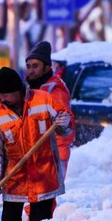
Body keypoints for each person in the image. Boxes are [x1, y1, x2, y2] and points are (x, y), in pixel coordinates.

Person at [0, 67, 73, 221]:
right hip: (15, 178)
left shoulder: (43, 99)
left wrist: (65, 122)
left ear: (18, 90)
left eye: (6, 94)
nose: (2, 99)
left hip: (44, 174)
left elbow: (65, 121)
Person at [25, 41, 75, 176]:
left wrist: (52, 158)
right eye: (28, 66)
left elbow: (65, 128)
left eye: (35, 66)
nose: (31, 71)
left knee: (46, 197)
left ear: (47, 67)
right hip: (35, 156)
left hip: (52, 158)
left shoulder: (54, 90)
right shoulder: (33, 89)